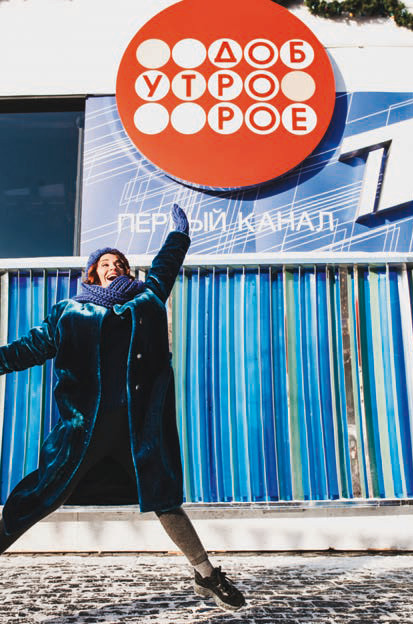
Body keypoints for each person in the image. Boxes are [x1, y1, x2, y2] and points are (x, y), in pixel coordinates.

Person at [0, 204, 245, 611]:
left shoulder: (147, 299)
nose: (113, 267)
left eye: (119, 263)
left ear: (128, 272)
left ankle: (207, 575)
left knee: (164, 500)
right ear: (92, 274)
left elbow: (166, 266)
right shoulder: (69, 312)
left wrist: (179, 236)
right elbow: (27, 349)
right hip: (83, 432)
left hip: (138, 430)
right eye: (105, 264)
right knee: (39, 497)